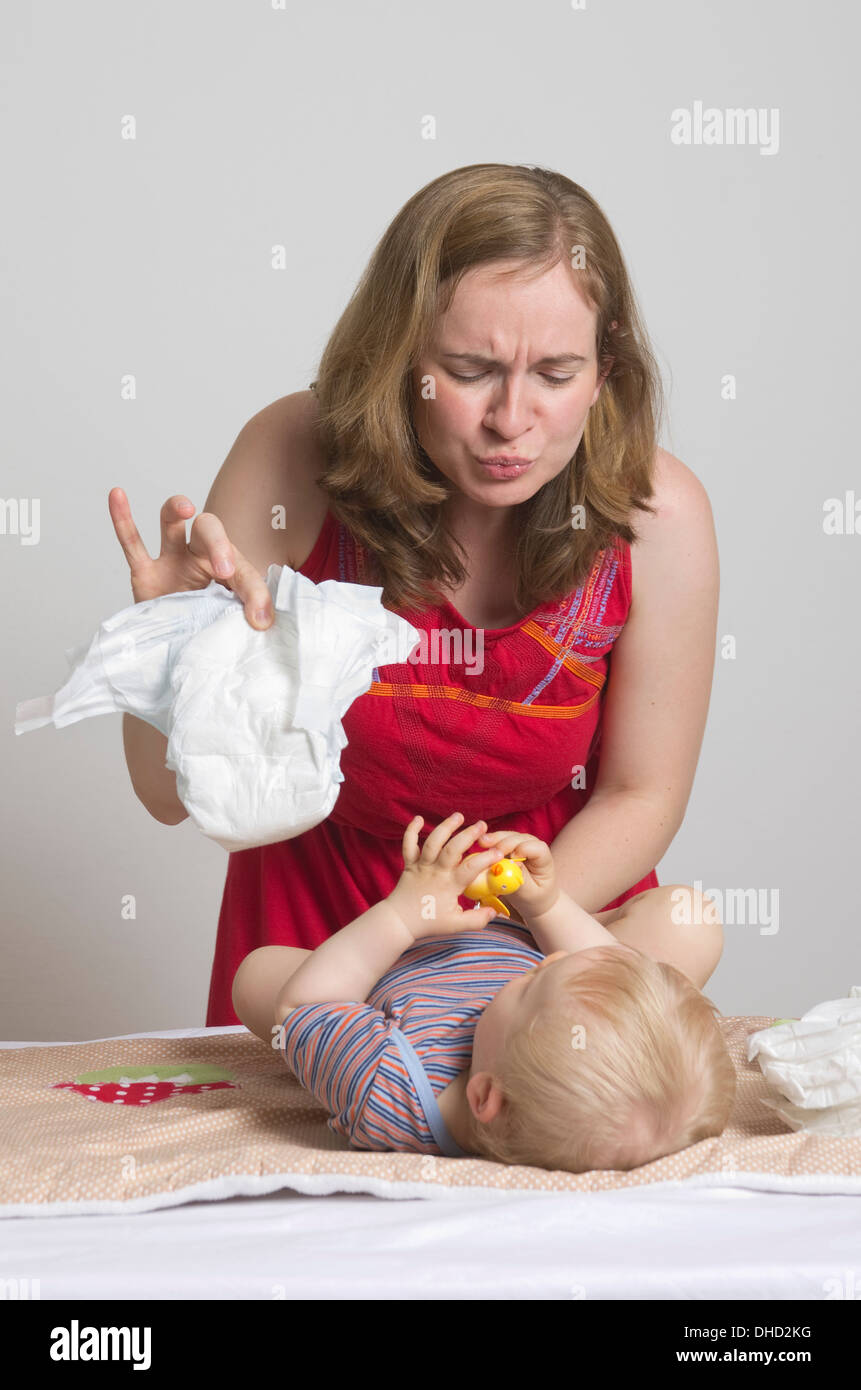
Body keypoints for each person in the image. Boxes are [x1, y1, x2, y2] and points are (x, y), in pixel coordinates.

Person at [111, 163, 723, 1026]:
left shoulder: (658, 514)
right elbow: (164, 796)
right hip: (330, 933)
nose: (512, 420)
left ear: (606, 365)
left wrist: (486, 936)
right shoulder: (293, 452)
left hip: (544, 920)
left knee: (678, 934)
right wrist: (167, 641)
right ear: (399, 356)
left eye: (556, 373)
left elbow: (640, 794)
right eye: (470, 369)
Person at [231, 812, 735, 1172]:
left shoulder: (389, 1086)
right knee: (689, 919)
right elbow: (597, 968)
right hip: (514, 932)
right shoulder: (541, 1028)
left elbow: (304, 1007)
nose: (552, 963)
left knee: (257, 978)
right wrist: (545, 907)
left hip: (391, 970)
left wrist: (404, 916)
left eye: (533, 985)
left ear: (485, 1094)